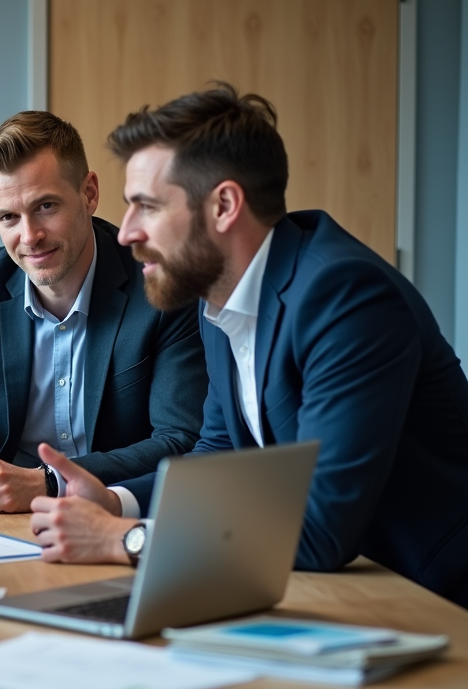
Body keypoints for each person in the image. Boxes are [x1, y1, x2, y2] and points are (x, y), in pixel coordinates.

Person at [30, 83, 468, 609]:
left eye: (146, 207)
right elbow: (219, 459)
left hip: (434, 600)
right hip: (335, 592)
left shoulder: (347, 298)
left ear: (224, 205)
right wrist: (116, 501)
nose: (125, 234)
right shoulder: (219, 296)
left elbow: (321, 530)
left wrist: (122, 539)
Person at [0, 111, 207, 518]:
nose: (29, 236)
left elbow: (181, 440)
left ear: (89, 193)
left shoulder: (159, 286)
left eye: (46, 206)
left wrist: (53, 482)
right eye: (8, 217)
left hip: (114, 518)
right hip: (2, 524)